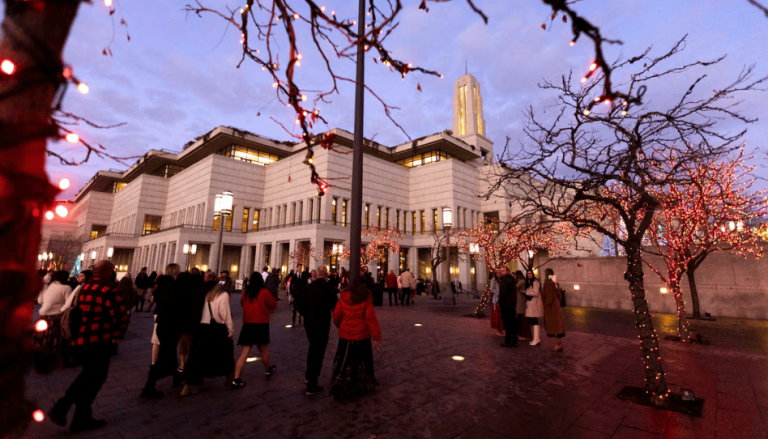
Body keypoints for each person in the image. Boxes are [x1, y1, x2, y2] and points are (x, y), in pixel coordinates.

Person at [48, 261, 129, 432]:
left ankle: (80, 418)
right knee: (92, 378)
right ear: (108, 271)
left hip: (82, 339)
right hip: (100, 340)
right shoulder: (110, 290)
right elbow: (120, 316)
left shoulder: (85, 287)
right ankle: (62, 408)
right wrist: (119, 336)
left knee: (89, 378)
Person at [330, 277, 381, 401]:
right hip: (362, 336)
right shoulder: (366, 298)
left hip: (346, 336)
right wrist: (376, 336)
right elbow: (371, 318)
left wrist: (340, 326)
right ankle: (360, 382)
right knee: (361, 361)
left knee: (344, 361)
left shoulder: (343, 298)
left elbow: (336, 316)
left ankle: (342, 383)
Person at [181, 282, 235, 396]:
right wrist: (230, 330)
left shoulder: (210, 294)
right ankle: (230, 378)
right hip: (217, 329)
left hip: (204, 328)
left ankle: (189, 385)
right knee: (227, 353)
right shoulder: (224, 295)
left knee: (200, 357)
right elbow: (225, 314)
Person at [140, 264, 183, 399]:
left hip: (161, 322)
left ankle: (175, 376)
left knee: (167, 352)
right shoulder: (176, 287)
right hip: (172, 323)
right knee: (167, 353)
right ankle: (149, 385)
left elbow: (155, 299)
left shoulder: (161, 285)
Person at [294, 265, 338, 395]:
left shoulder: (308, 288)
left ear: (317, 274)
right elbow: (335, 307)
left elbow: (299, 305)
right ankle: (312, 383)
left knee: (313, 348)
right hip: (323, 324)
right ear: (326, 275)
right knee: (318, 352)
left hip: (310, 324)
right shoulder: (328, 288)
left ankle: (309, 376)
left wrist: (307, 315)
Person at [232, 273, 277, 388]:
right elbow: (273, 305)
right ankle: (268, 369)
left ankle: (236, 378)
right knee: (264, 351)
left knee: (244, 353)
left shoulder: (246, 293)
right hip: (261, 324)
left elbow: (242, 304)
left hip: (248, 324)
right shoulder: (264, 292)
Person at [176, 270, 206, 372]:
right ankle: (192, 369)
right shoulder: (200, 287)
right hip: (194, 321)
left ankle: (183, 365)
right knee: (191, 346)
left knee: (183, 344)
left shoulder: (183, 288)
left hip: (183, 321)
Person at [35, 270, 72, 353]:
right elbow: (68, 303)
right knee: (53, 335)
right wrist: (61, 310)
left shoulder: (48, 286)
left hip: (43, 314)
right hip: (55, 315)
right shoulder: (66, 288)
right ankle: (52, 353)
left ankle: (40, 350)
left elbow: (40, 301)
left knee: (42, 334)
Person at [542, 268, 566, 351]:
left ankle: (558, 343)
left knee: (555, 325)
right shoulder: (554, 282)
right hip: (556, 305)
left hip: (551, 307)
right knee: (558, 324)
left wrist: (545, 304)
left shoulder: (548, 284)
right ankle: (559, 343)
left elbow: (549, 297)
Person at [498, 267, 518, 348]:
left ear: (507, 271)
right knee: (513, 322)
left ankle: (508, 341)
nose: (502, 272)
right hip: (512, 304)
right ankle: (514, 340)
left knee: (507, 323)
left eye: (503, 271)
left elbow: (503, 292)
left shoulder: (505, 280)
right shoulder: (513, 279)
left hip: (506, 304)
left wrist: (500, 302)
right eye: (501, 271)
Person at [524, 270, 544, 346]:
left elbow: (536, 293)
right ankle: (535, 339)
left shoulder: (535, 282)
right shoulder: (529, 281)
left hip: (534, 303)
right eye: (528, 273)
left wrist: (526, 292)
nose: (529, 275)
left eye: (530, 273)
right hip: (530, 303)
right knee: (532, 321)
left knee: (534, 321)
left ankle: (536, 339)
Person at [515, 271, 532, 341]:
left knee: (522, 319)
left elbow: (515, 287)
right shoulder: (522, 281)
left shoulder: (522, 281)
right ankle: (521, 334)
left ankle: (524, 335)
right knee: (520, 319)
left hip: (521, 302)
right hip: (519, 302)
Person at [489, 271, 504, 337]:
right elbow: (492, 289)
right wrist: (498, 293)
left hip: (502, 299)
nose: (499, 274)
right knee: (497, 316)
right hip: (496, 299)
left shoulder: (502, 280)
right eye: (497, 273)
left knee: (502, 316)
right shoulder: (493, 280)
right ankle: (498, 330)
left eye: (499, 273)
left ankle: (501, 329)